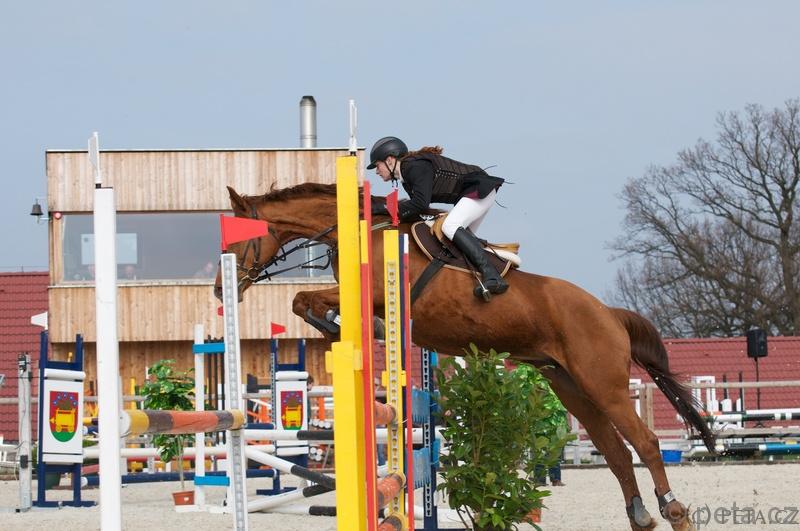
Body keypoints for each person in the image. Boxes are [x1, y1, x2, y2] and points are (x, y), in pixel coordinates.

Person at [367, 136, 508, 298]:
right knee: (457, 242)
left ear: (389, 160)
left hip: (478, 189)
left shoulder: (413, 167)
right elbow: (415, 210)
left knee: (449, 226)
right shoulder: (406, 175)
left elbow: (420, 204)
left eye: (377, 165)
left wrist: (383, 208)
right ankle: (480, 280)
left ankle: (493, 276)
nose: (377, 171)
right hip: (473, 193)